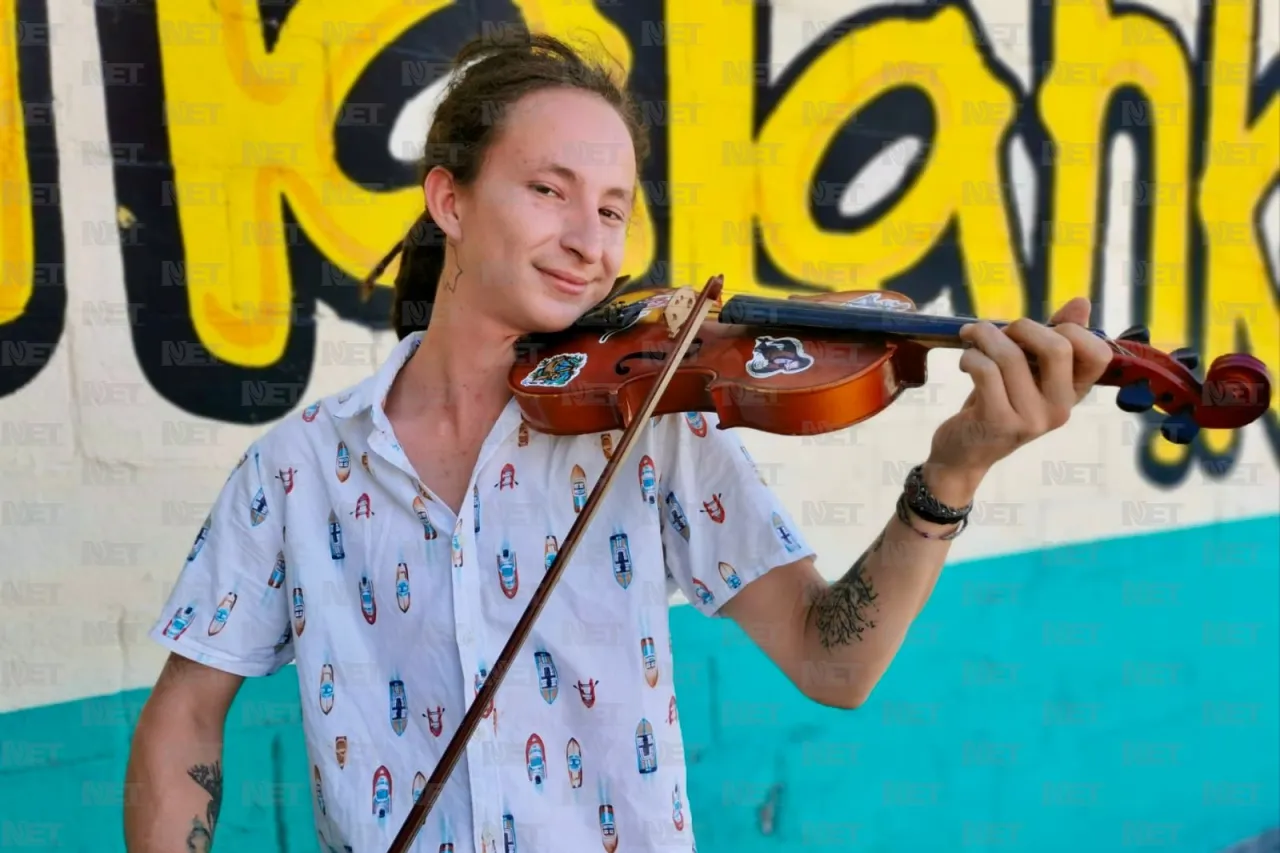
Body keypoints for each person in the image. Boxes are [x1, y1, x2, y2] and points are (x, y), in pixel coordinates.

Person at [123, 30, 1114, 853]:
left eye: (610, 210)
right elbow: (185, 712)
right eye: (547, 191)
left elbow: (831, 663)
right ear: (450, 200)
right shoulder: (298, 469)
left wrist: (954, 469)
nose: (589, 243)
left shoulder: (650, 429)